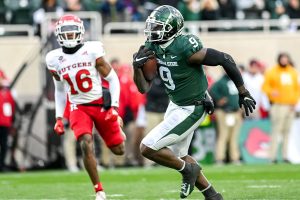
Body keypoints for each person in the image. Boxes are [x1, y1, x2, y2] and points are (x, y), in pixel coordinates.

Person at [132, 5, 256, 199]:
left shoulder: (185, 46)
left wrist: (243, 91)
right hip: (175, 104)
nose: (152, 31)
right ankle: (212, 195)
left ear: (173, 28)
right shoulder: (152, 46)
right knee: (180, 156)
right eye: (152, 26)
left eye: (158, 27)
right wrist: (136, 67)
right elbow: (143, 88)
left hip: (192, 107)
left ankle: (187, 170)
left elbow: (225, 58)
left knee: (147, 147)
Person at [45, 14, 125, 200]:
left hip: (100, 103)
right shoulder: (54, 58)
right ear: (58, 35)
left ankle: (117, 126)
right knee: (85, 142)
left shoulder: (92, 50)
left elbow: (112, 79)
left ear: (80, 32)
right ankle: (99, 190)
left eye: (73, 33)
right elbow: (59, 90)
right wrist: (58, 117)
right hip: (78, 107)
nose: (70, 36)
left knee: (119, 150)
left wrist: (114, 108)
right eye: (67, 33)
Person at [262, 52, 300, 163]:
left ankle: (285, 156)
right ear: (279, 60)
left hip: (290, 106)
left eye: (286, 59)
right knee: (276, 131)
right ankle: (272, 157)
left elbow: (297, 89)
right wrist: (271, 92)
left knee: (287, 132)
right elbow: (265, 86)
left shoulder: (293, 72)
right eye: (282, 59)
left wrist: (295, 102)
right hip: (278, 105)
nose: (284, 61)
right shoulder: (272, 72)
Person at [210, 73, 243, 165]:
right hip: (224, 112)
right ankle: (219, 158)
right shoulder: (221, 82)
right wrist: (219, 99)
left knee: (234, 136)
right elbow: (212, 91)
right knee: (223, 135)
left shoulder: (236, 81)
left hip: (236, 112)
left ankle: (235, 158)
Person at [0, 70, 15, 172]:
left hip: (4, 123)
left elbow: (11, 109)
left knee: (4, 145)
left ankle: (2, 164)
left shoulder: (7, 94)